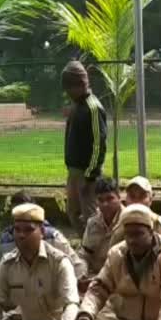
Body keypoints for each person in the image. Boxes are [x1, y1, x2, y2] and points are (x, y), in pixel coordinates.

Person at [63, 60, 107, 235]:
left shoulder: (93, 108)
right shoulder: (76, 106)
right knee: (72, 212)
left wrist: (90, 176)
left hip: (87, 174)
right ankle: (87, 246)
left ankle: (97, 250)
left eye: (70, 88)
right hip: (73, 171)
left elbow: (99, 144)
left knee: (91, 217)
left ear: (80, 84)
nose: (68, 92)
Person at [0, 190, 81, 275]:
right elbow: (0, 275)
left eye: (28, 229)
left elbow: (77, 266)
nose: (22, 235)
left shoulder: (53, 238)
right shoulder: (6, 241)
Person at [76, 177, 124, 292]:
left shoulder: (129, 221)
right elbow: (84, 254)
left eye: (110, 198)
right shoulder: (92, 223)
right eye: (100, 200)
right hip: (94, 279)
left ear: (119, 197)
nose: (105, 204)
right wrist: (81, 274)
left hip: (120, 281)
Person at [108, 176, 161, 248]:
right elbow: (113, 256)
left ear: (151, 199)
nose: (136, 201)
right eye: (132, 196)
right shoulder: (119, 228)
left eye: (142, 196)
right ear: (126, 199)